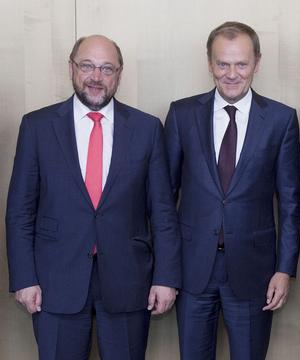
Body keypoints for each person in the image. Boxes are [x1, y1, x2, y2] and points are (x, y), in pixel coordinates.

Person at [5, 35, 181, 359]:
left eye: (106, 68)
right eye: (87, 66)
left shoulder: (147, 129)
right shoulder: (37, 127)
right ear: (71, 67)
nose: (96, 77)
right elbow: (19, 211)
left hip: (129, 281)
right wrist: (24, 278)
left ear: (120, 73)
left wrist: (166, 278)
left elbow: (163, 213)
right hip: (54, 282)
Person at [164, 21, 300, 359]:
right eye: (222, 63)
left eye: (241, 63)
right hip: (192, 269)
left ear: (257, 62)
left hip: (255, 271)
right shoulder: (182, 115)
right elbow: (163, 198)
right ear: (209, 63)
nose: (231, 73)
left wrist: (284, 270)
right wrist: (164, 270)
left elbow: (291, 203)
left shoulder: (281, 119)